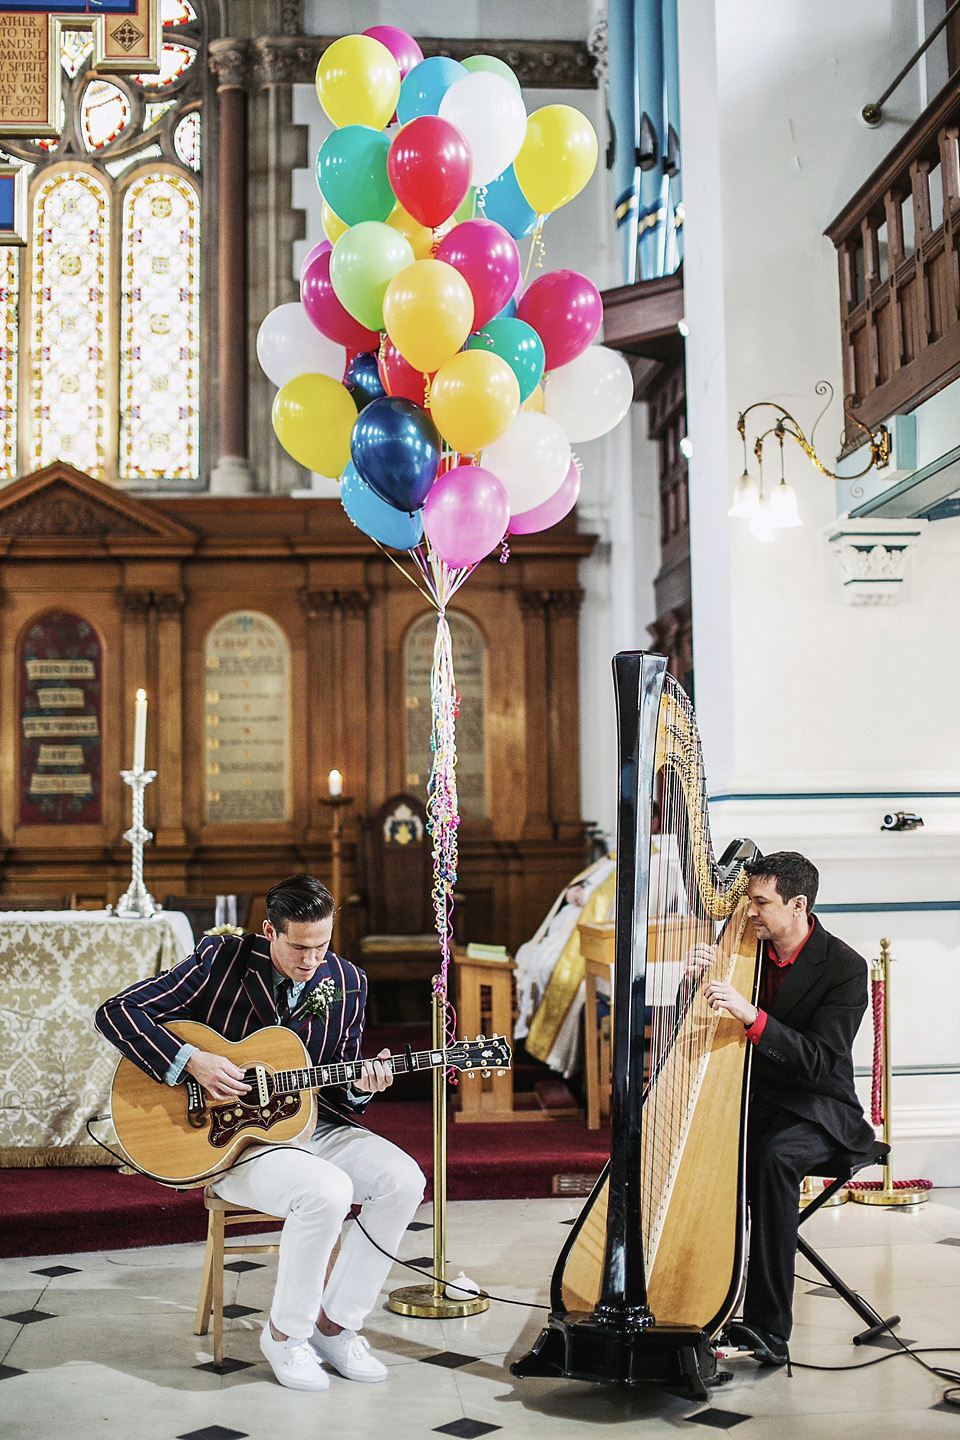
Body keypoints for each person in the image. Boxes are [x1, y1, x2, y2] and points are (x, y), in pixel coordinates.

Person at [95, 873, 425, 1393]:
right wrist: (192, 1060)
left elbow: (339, 1091)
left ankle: (336, 1326)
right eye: (298, 947)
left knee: (403, 1181)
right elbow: (116, 1012)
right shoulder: (221, 961)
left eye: (321, 945)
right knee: (327, 1191)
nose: (311, 960)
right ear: (270, 931)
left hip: (311, 1125)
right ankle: (285, 1336)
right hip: (228, 1140)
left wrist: (362, 1086)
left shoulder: (349, 981)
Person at [702, 851, 875, 1368]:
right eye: (747, 901)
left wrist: (751, 1015)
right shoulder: (744, 951)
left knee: (773, 1158)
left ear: (798, 905)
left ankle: (768, 1328)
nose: (749, 912)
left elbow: (819, 1061)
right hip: (754, 1100)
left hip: (819, 1108)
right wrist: (700, 980)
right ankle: (689, 1297)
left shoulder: (843, 967)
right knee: (688, 1149)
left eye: (760, 903)